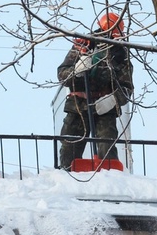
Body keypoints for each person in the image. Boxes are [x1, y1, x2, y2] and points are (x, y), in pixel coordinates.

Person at [57, 12, 134, 171]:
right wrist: (76, 71)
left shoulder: (121, 54)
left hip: (104, 108)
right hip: (78, 106)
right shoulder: (83, 46)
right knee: (69, 148)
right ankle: (67, 178)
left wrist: (113, 99)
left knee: (107, 149)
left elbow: (127, 87)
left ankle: (110, 180)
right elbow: (62, 75)